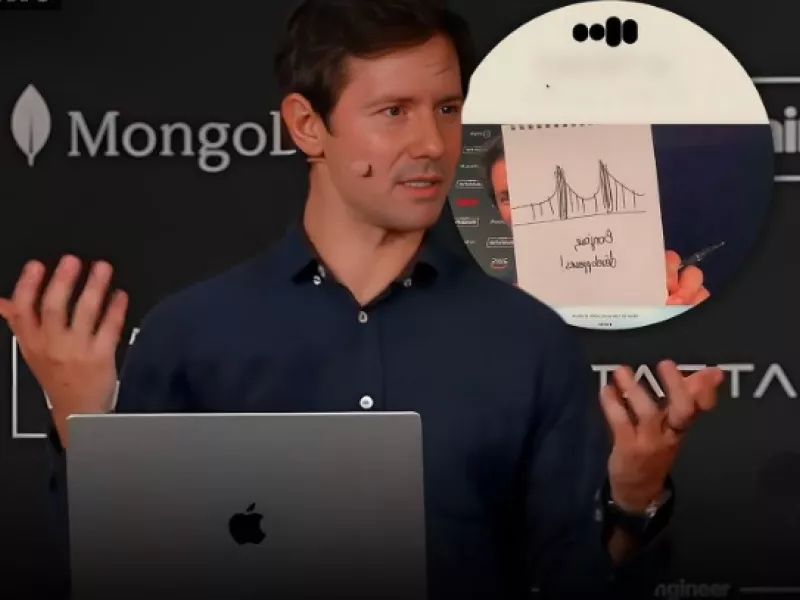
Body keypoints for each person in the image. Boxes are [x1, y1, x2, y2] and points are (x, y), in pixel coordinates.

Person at [0, 0, 722, 598]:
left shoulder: (529, 341)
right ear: (306, 125)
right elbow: (114, 576)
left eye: (447, 107)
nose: (433, 143)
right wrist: (81, 423)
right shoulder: (189, 335)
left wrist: (634, 497)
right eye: (393, 111)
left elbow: (580, 583)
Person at [481, 133, 711, 304]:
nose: (525, 208)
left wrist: (687, 321)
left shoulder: (650, 282)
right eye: (508, 197)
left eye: (538, 189)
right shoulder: (487, 301)